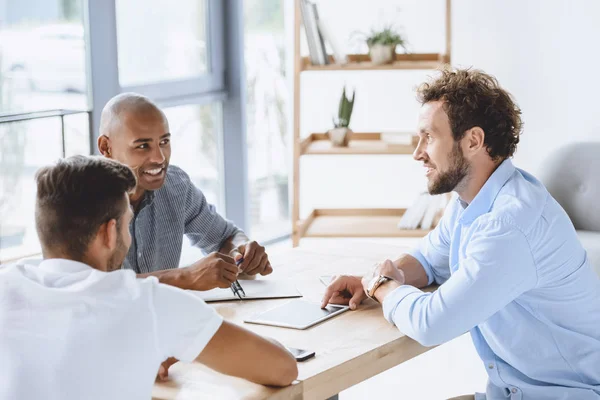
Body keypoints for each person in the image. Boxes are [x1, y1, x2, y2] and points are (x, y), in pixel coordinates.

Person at [321, 68, 600, 399]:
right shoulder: (472, 202)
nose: (418, 152)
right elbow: (428, 260)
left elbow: (432, 323)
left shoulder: (509, 223)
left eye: (430, 137)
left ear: (473, 141)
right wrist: (375, 279)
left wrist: (383, 287)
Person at [0, 156, 297, 400]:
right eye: (128, 224)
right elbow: (283, 368)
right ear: (109, 232)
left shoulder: (7, 287)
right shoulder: (147, 303)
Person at [97, 93, 271, 291]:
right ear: (106, 147)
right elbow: (96, 288)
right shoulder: (78, 201)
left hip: (165, 318)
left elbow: (225, 237)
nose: (159, 158)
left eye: (164, 142)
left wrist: (242, 252)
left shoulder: (176, 186)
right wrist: (184, 277)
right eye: (143, 146)